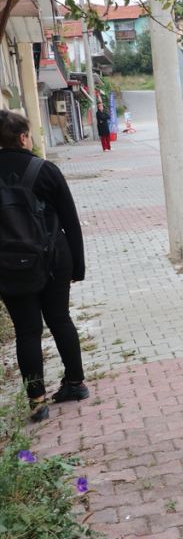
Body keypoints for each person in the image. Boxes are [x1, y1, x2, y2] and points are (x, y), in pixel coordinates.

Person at [0, 109, 89, 422]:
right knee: (60, 318)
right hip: (53, 258)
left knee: (27, 330)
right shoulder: (45, 170)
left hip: (8, 264)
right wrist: (78, 266)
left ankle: (37, 402)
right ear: (23, 137)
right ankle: (75, 384)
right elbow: (70, 221)